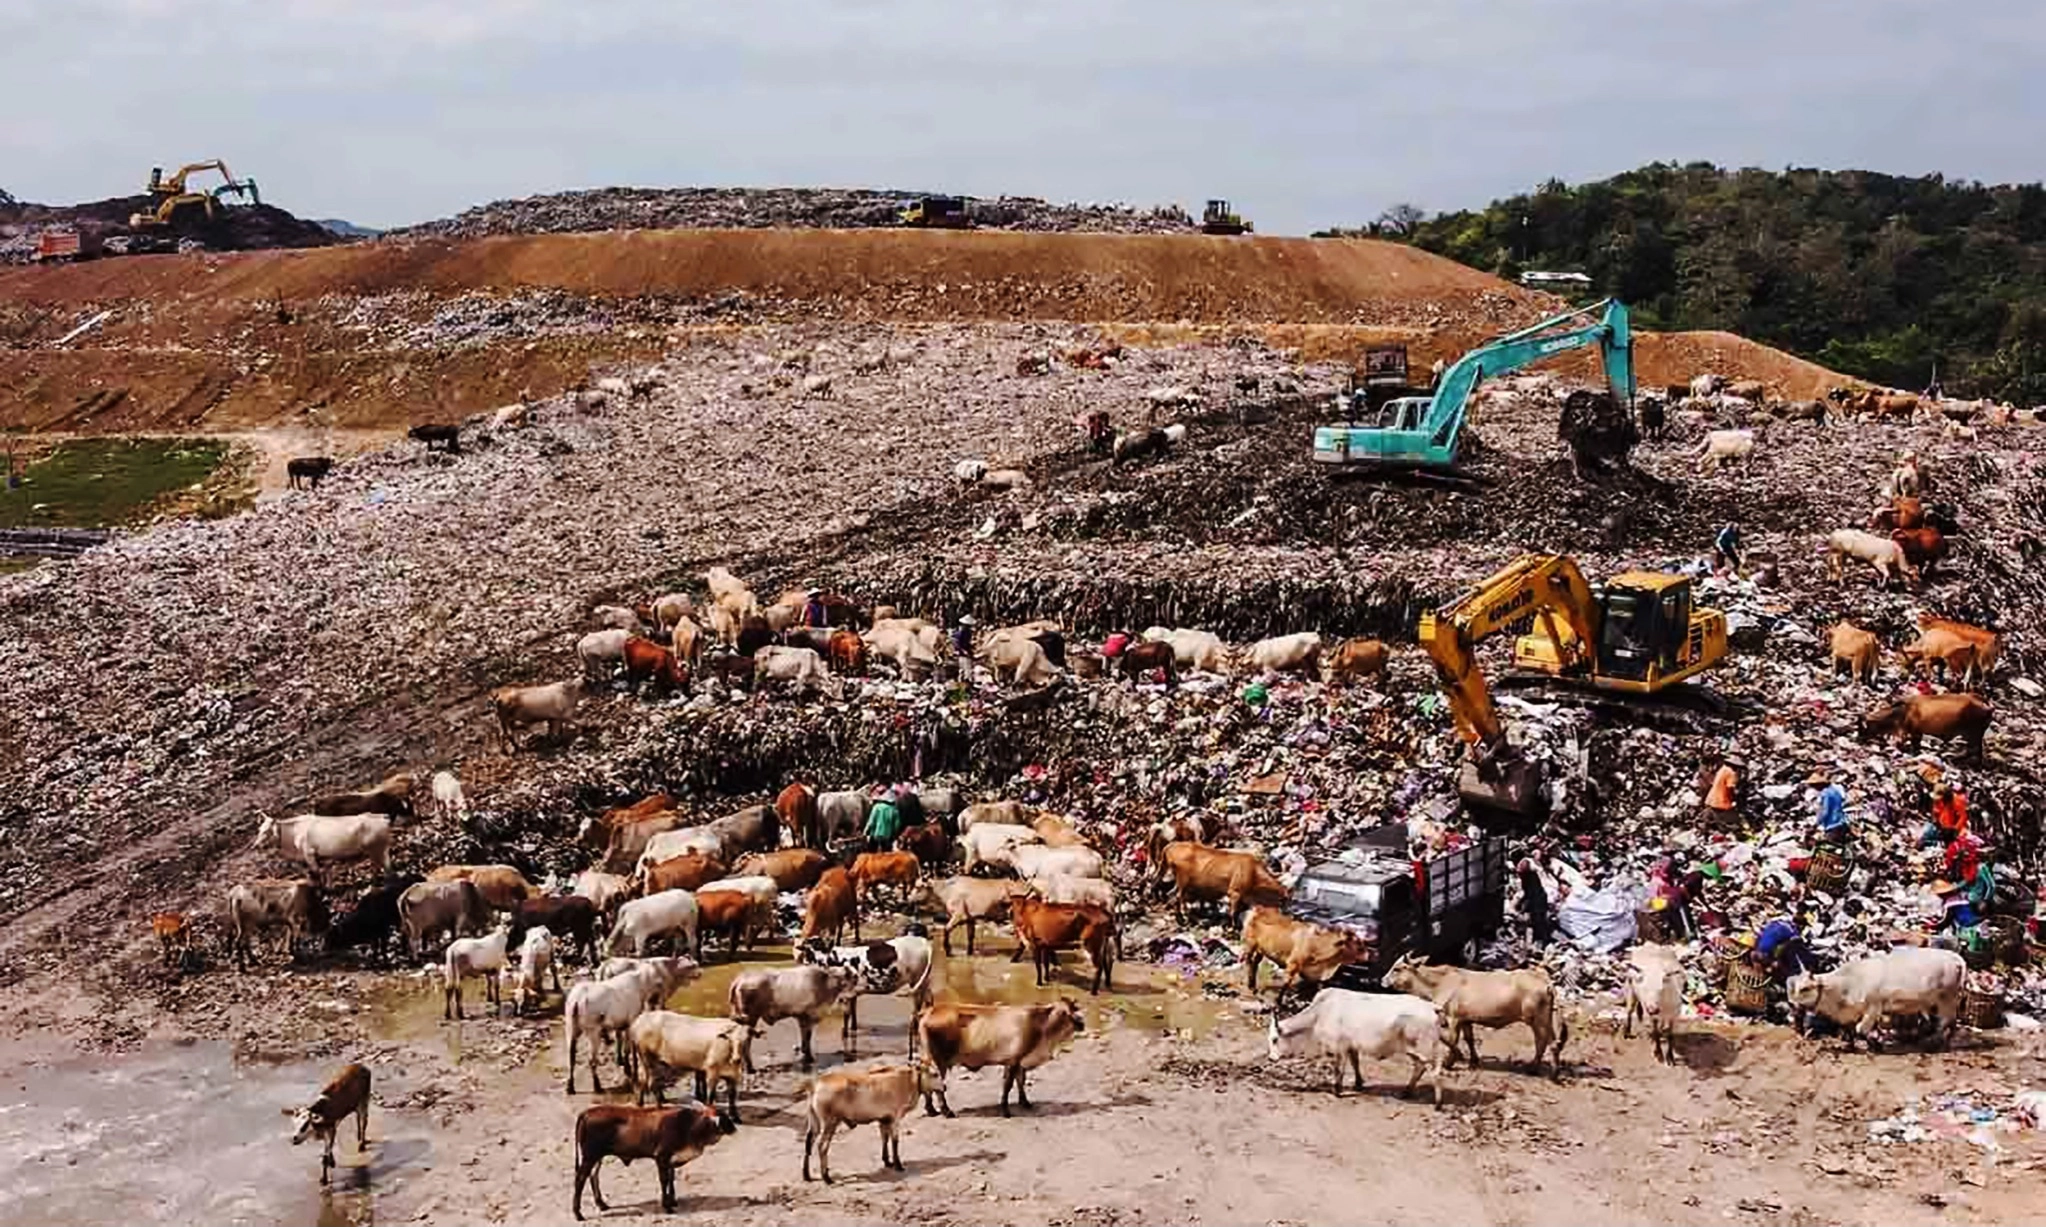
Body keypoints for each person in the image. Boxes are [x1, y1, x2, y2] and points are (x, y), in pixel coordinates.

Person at [1755, 916, 1810, 982]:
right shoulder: (1792, 930)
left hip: (1758, 948)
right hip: (1767, 954)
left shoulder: (1777, 922)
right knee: (1790, 948)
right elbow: (1798, 940)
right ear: (1800, 925)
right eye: (1803, 927)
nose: (1803, 929)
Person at [1920, 777, 1969, 847]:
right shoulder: (1938, 801)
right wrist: (1935, 820)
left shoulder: (1957, 801)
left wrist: (1955, 829)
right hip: (1942, 825)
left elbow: (1963, 816)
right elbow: (1935, 811)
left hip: (1953, 827)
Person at [1517, 858, 1554, 946]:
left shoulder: (1529, 877)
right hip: (1537, 900)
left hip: (1538, 902)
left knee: (1539, 921)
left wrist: (1525, 906)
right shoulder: (1530, 876)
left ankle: (1542, 941)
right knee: (1538, 921)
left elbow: (1531, 893)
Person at [1703, 754, 1740, 826]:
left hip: (1712, 799)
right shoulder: (1731, 773)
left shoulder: (1722, 769)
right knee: (1733, 821)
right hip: (1722, 802)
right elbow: (1730, 788)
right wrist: (1734, 799)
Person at [1812, 771, 1849, 844]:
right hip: (1842, 822)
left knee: (1832, 846)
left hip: (1832, 824)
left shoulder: (1825, 794)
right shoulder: (1835, 791)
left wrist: (1817, 823)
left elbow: (1825, 811)